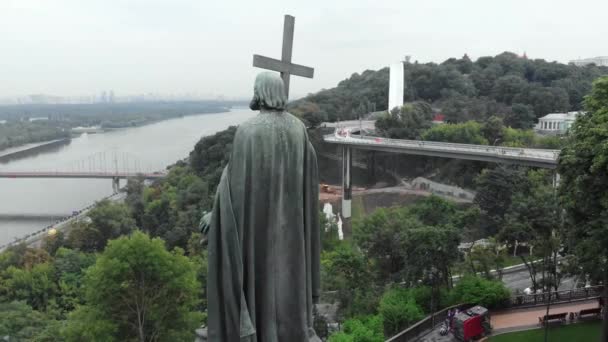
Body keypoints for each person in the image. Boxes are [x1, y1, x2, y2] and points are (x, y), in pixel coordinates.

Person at [202, 72, 320, 342]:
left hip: (257, 234)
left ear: (262, 92)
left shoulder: (248, 132)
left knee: (260, 282)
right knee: (288, 283)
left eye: (255, 88)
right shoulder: (298, 130)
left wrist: (216, 217)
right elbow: (309, 180)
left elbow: (234, 189)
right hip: (292, 234)